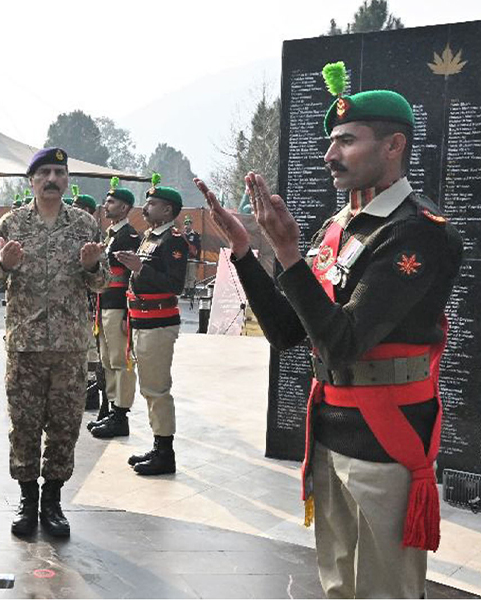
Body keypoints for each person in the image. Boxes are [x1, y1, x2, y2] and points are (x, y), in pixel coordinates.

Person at [195, 64, 461, 597]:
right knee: (338, 582)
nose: (329, 154)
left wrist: (292, 254)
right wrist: (248, 252)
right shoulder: (337, 227)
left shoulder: (417, 232)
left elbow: (343, 340)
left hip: (385, 437)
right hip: (332, 429)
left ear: (393, 146)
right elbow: (287, 333)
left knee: (383, 589)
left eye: (346, 140)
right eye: (330, 141)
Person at [0, 147, 108, 539]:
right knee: (24, 425)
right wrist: (4, 264)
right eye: (44, 173)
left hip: (69, 347)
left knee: (66, 425)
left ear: (67, 180)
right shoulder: (11, 224)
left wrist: (91, 267)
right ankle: (26, 499)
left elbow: (102, 284)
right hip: (25, 347)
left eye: (59, 172)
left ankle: (52, 500)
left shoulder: (85, 225)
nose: (52, 179)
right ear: (31, 181)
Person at [112, 173, 188, 476]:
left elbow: (175, 285)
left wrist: (139, 266)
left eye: (152, 203)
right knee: (148, 388)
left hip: (158, 323)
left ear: (168, 210)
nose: (146, 208)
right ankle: (158, 445)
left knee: (157, 389)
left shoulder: (174, 242)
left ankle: (165, 453)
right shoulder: (151, 236)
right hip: (141, 321)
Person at [89, 179, 142, 438]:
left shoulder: (129, 236)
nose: (105, 205)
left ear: (124, 208)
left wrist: (129, 313)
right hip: (104, 303)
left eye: (111, 202)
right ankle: (110, 408)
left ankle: (121, 414)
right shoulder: (110, 235)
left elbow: (131, 278)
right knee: (108, 360)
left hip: (119, 306)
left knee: (121, 361)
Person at [182, 216, 201, 298]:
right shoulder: (182, 236)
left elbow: (199, 248)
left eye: (188, 224)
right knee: (185, 275)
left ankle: (191, 291)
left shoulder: (196, 235)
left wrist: (198, 259)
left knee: (191, 276)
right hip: (184, 259)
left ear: (191, 225)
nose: (187, 226)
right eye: (185, 224)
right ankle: (186, 291)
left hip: (193, 259)